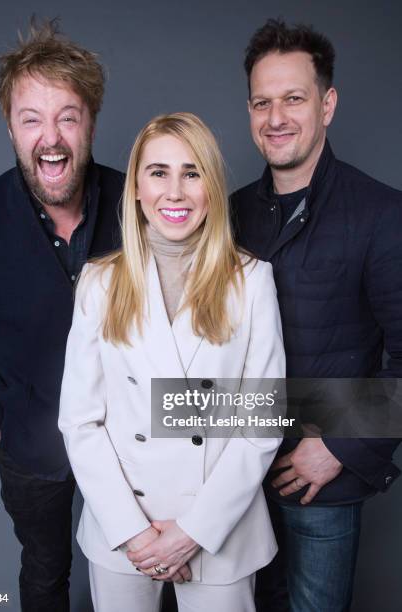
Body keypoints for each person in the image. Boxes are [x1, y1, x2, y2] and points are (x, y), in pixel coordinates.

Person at [58, 112, 285, 612]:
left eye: (192, 172)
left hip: (221, 530)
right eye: (158, 172)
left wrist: (193, 532)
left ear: (211, 186)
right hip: (122, 529)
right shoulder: (99, 283)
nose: (175, 191)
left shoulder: (252, 281)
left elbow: (260, 425)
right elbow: (80, 422)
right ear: (136, 187)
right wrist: (134, 532)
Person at [0, 19, 124, 612]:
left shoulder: (141, 202)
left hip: (132, 443)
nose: (52, 137)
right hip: (29, 445)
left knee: (138, 574)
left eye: (68, 116)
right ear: (11, 127)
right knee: (45, 575)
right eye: (32, 119)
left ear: (91, 120)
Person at [231, 18, 402, 612]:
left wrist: (339, 445)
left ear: (326, 105)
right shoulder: (224, 216)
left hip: (320, 484)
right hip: (234, 482)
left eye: (294, 99)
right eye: (262, 102)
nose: (276, 117)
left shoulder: (382, 214)